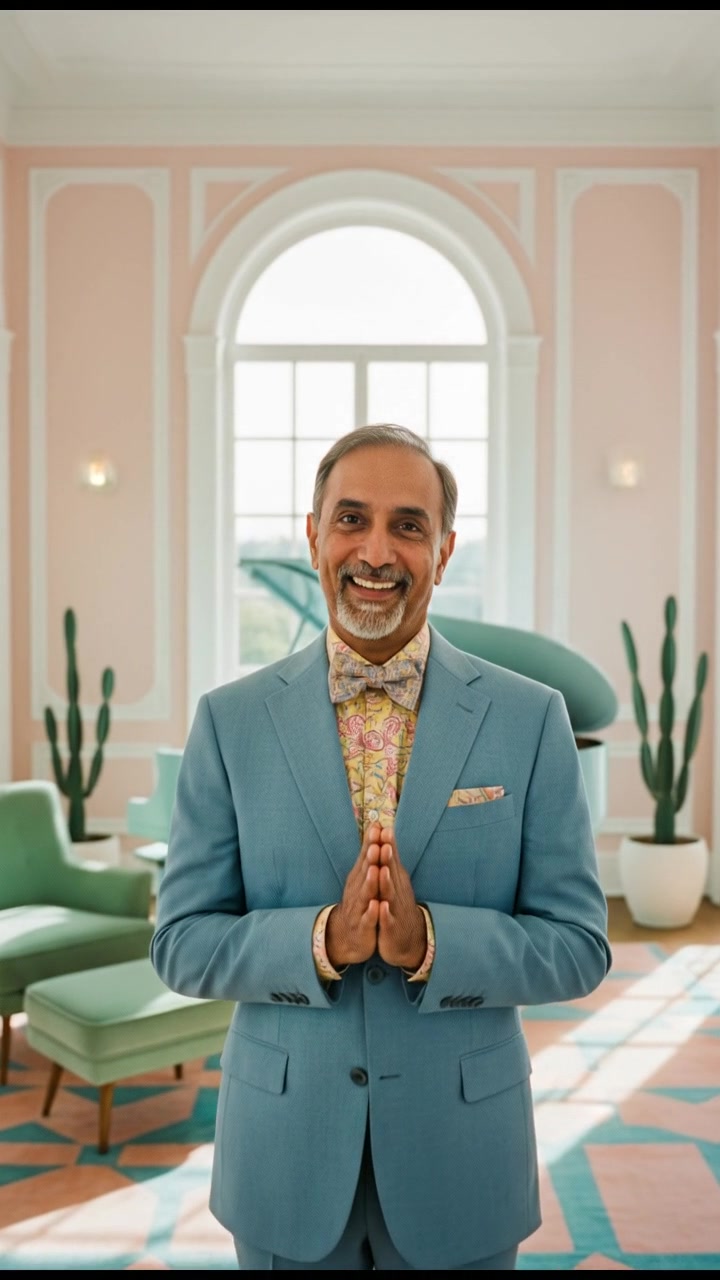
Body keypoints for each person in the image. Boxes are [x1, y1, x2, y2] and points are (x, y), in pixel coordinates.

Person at [150, 422, 611, 1271]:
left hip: (461, 1153)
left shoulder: (532, 718)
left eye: (408, 524)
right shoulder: (230, 720)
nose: (376, 549)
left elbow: (579, 947)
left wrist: (429, 942)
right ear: (314, 535)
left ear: (443, 551)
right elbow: (179, 944)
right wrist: (319, 941)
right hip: (284, 1155)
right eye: (351, 518)